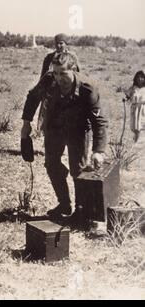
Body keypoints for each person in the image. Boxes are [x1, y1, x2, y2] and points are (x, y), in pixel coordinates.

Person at [21, 52, 108, 227]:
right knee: (51, 164)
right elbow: (32, 97)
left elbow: (99, 121)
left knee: (79, 170)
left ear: (73, 69)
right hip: (55, 127)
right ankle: (64, 204)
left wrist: (99, 151)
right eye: (56, 73)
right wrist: (26, 124)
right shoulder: (48, 79)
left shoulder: (87, 88)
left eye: (63, 73)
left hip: (78, 130)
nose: (59, 78)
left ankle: (81, 211)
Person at [37, 33, 81, 134]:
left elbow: (78, 74)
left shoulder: (72, 57)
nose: (58, 46)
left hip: (67, 90)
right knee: (49, 116)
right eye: (56, 43)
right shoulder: (49, 57)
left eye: (61, 43)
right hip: (51, 91)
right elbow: (43, 75)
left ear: (66, 44)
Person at [124, 70, 145, 142]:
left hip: (143, 109)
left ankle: (137, 140)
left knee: (140, 125)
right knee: (134, 126)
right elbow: (127, 96)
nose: (140, 79)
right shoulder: (133, 88)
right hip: (134, 108)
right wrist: (125, 99)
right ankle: (136, 137)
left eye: (142, 77)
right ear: (135, 78)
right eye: (138, 77)